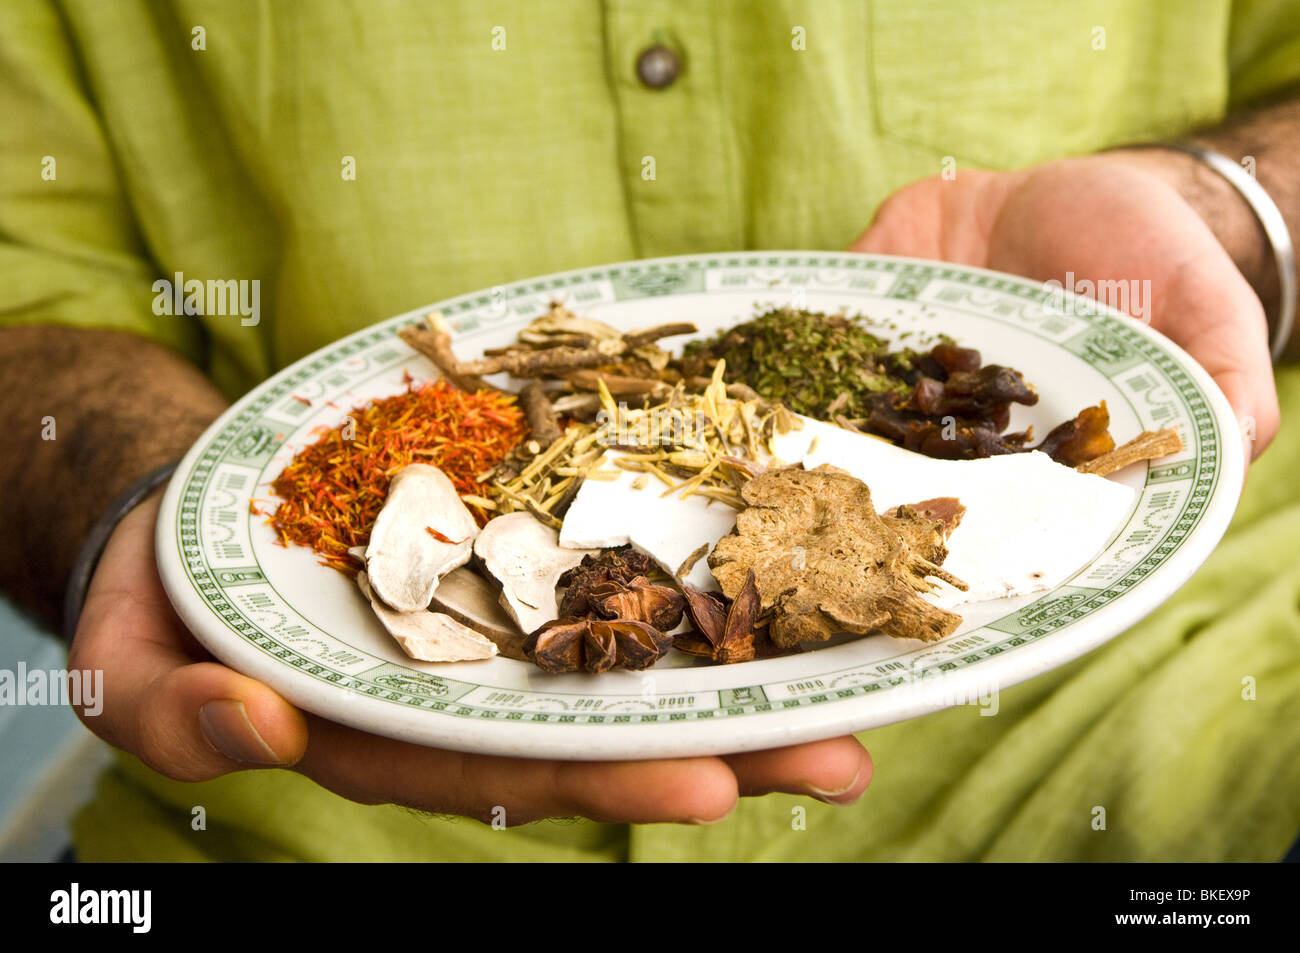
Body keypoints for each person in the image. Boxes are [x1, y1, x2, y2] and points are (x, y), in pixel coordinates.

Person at [2, 1, 1298, 861]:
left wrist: (1226, 206)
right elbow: (28, 284)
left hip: (1171, 694)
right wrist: (147, 504)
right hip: (310, 805)